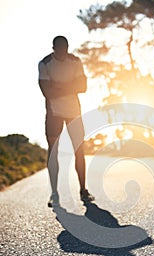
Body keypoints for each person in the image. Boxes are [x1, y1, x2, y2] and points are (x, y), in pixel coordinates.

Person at [38, 35, 94, 207]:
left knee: (79, 150)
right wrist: (70, 86)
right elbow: (47, 92)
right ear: (53, 48)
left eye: (65, 49)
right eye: (59, 50)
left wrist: (58, 87)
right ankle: (54, 194)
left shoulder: (75, 61)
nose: (63, 53)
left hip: (74, 112)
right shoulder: (45, 63)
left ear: (68, 47)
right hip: (54, 113)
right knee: (53, 151)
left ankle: (83, 190)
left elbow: (83, 87)